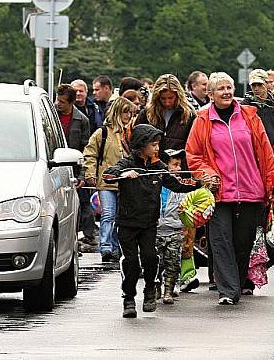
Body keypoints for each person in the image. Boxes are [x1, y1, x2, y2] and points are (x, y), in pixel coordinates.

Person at [185, 72, 274, 306]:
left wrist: (273, 183)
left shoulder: (249, 117)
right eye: (221, 89)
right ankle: (227, 290)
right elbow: (194, 155)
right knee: (220, 241)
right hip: (219, 193)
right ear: (210, 94)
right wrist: (207, 174)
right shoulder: (202, 119)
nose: (227, 92)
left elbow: (265, 152)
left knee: (243, 242)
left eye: (229, 87)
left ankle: (237, 282)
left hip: (250, 190)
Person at [103, 124, 199, 318]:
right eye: (153, 144)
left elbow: (178, 185)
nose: (157, 148)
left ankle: (149, 290)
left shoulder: (159, 168)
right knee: (131, 262)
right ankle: (128, 298)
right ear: (141, 145)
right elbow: (108, 175)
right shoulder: (127, 163)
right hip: (127, 223)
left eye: (158, 144)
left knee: (150, 258)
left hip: (149, 224)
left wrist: (199, 184)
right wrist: (123, 175)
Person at [82, 97, 135, 263]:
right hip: (106, 181)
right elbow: (90, 154)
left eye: (130, 112)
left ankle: (117, 246)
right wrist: (90, 174)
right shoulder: (102, 133)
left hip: (127, 182)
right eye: (125, 111)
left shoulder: (131, 133)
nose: (128, 115)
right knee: (108, 214)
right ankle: (106, 247)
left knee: (121, 216)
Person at [55, 84, 93, 249]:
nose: (58, 104)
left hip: (73, 170)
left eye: (62, 102)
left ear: (71, 103)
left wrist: (82, 174)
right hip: (55, 167)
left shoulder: (82, 120)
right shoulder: (51, 115)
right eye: (58, 100)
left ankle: (80, 240)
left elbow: (86, 149)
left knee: (79, 207)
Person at [134, 74, 196, 160]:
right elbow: (135, 144)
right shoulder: (147, 113)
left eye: (171, 98)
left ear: (178, 95)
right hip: (151, 168)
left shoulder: (189, 115)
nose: (167, 102)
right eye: (163, 98)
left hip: (179, 167)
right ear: (157, 97)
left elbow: (195, 147)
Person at [157, 148, 189, 305]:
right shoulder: (154, 183)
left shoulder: (182, 187)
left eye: (180, 165)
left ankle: (168, 290)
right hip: (155, 230)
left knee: (173, 262)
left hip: (175, 230)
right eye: (175, 165)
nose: (178, 169)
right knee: (157, 262)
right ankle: (155, 285)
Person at [242, 69, 274, 147]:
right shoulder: (244, 107)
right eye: (254, 85)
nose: (256, 88)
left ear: (267, 84)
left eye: (260, 84)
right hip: (254, 149)